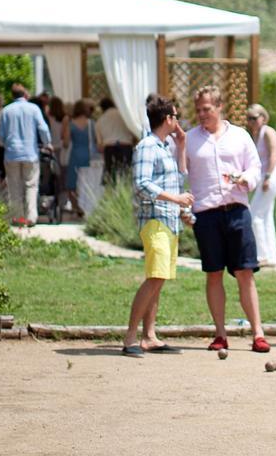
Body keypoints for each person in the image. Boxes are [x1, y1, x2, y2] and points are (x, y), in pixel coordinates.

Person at [185, 85, 270, 353]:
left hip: (236, 209)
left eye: (206, 109)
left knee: (245, 272)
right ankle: (220, 333)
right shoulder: (189, 139)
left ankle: (258, 333)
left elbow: (255, 167)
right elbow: (180, 175)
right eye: (198, 110)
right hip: (206, 213)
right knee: (213, 274)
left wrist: (248, 178)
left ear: (220, 107)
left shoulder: (240, 136)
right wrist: (184, 208)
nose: (202, 114)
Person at [122, 95, 194, 357]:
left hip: (169, 220)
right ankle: (130, 337)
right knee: (154, 278)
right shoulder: (147, 147)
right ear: (168, 119)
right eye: (176, 117)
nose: (179, 122)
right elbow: (142, 184)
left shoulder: (167, 147)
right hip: (154, 221)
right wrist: (175, 199)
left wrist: (182, 145)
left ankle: (149, 336)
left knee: (159, 279)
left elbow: (177, 180)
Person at [0, 83, 52, 226]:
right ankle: (31, 217)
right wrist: (47, 143)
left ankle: (17, 217)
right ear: (25, 95)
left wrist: (8, 144)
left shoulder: (6, 110)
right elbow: (43, 128)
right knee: (31, 185)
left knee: (14, 187)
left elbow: (2, 134)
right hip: (30, 153)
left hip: (12, 153)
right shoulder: (34, 109)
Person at [246, 103, 276, 266]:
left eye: (254, 118)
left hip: (270, 176)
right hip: (263, 178)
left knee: (255, 216)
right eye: (249, 119)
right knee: (266, 216)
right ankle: (272, 256)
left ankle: (262, 255)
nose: (251, 122)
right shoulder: (256, 134)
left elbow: (274, 155)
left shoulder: (268, 132)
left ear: (263, 117)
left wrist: (267, 176)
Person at [62, 98, 97, 218]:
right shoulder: (92, 123)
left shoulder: (71, 123)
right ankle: (87, 206)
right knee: (87, 181)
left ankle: (77, 207)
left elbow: (66, 143)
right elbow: (97, 140)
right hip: (88, 154)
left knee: (72, 182)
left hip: (75, 154)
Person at [96, 97, 136, 180]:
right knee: (126, 177)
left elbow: (100, 145)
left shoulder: (100, 120)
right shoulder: (124, 116)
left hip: (109, 149)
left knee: (111, 179)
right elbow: (133, 132)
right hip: (125, 147)